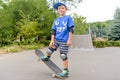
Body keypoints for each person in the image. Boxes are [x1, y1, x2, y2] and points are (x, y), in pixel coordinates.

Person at [41, 2, 74, 77]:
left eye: (62, 8)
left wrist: (69, 40)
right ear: (57, 10)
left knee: (63, 55)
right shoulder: (56, 20)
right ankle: (47, 57)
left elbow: (71, 30)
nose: (61, 10)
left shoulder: (68, 18)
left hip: (64, 41)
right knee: (49, 50)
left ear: (66, 9)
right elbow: (53, 31)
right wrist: (52, 40)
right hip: (56, 39)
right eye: (59, 9)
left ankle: (65, 70)